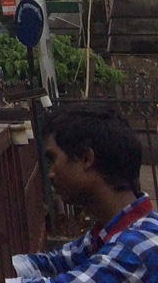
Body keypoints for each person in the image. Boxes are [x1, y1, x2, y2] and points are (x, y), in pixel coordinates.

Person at [9, 103, 158, 281]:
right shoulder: (113, 230)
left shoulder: (137, 248)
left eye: (53, 158)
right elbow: (54, 262)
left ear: (86, 158)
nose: (51, 174)